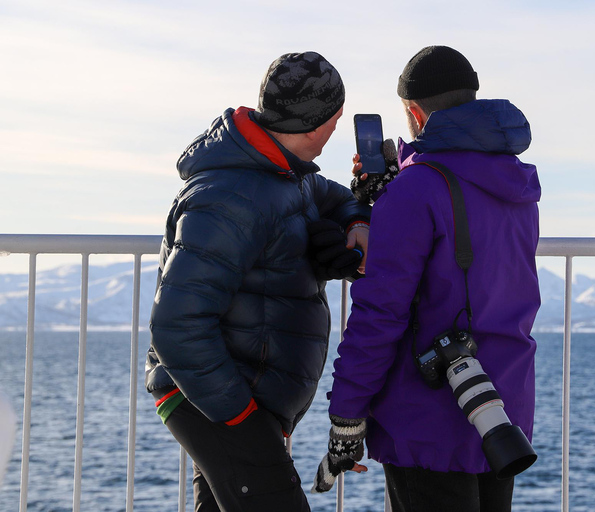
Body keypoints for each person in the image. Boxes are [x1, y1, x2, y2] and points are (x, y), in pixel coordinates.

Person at [313, 46, 541, 512]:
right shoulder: (515, 184)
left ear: (414, 113)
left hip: (428, 414)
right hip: (499, 413)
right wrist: (400, 180)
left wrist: (347, 417)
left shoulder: (415, 190)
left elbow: (381, 311)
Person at [145, 51, 371, 512]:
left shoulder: (287, 173)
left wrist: (354, 225)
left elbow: (338, 198)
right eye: (336, 118)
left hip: (239, 392)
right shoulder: (230, 195)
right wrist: (239, 416)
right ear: (318, 123)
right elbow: (176, 324)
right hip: (218, 398)